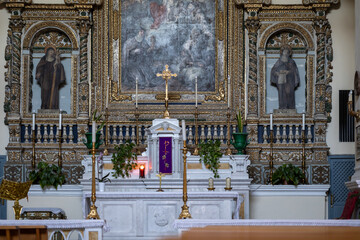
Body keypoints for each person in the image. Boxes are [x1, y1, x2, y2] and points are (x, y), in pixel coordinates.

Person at [270, 44, 300, 109]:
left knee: (289, 93)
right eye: (284, 52)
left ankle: (290, 107)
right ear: (282, 53)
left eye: (287, 52)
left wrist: (288, 72)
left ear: (289, 53)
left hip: (289, 81)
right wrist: (277, 73)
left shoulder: (292, 62)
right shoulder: (279, 62)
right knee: (281, 94)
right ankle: (282, 107)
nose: (285, 54)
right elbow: (273, 70)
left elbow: (295, 71)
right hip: (281, 81)